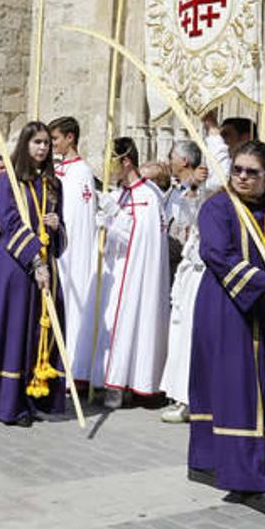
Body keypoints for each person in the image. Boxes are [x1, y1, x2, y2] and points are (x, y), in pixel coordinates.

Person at [188, 140, 265, 518]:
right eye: (237, 169)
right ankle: (249, 477)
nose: (242, 177)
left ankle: (218, 460)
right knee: (240, 392)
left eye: (252, 172)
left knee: (254, 389)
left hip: (264, 312)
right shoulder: (218, 207)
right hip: (226, 306)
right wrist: (261, 283)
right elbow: (216, 254)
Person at [0, 122, 65, 426]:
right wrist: (35, 263)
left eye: (46, 143)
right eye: (37, 142)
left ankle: (38, 395)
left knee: (41, 331)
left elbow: (60, 229)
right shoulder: (9, 181)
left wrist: (56, 226)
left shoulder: (54, 184)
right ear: (25, 144)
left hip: (46, 265)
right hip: (16, 267)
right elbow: (11, 224)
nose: (43, 148)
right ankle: (10, 403)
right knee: (15, 329)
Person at [93, 137, 169, 406]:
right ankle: (106, 379)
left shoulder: (148, 196)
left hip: (137, 273)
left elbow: (142, 238)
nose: (108, 168)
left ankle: (125, 382)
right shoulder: (120, 193)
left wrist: (116, 218)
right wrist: (104, 221)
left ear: (126, 161)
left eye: (111, 162)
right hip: (117, 268)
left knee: (129, 323)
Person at [158, 138, 212, 422]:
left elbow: (193, 213)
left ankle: (189, 399)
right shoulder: (179, 189)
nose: (168, 160)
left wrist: (196, 186)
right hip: (184, 265)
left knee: (189, 334)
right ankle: (178, 394)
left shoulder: (208, 188)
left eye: (172, 156)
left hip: (197, 267)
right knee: (178, 331)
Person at [48, 116, 100, 390]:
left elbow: (78, 218)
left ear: (70, 137)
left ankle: (72, 369)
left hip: (70, 251)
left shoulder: (81, 172)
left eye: (55, 139)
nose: (52, 144)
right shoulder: (58, 170)